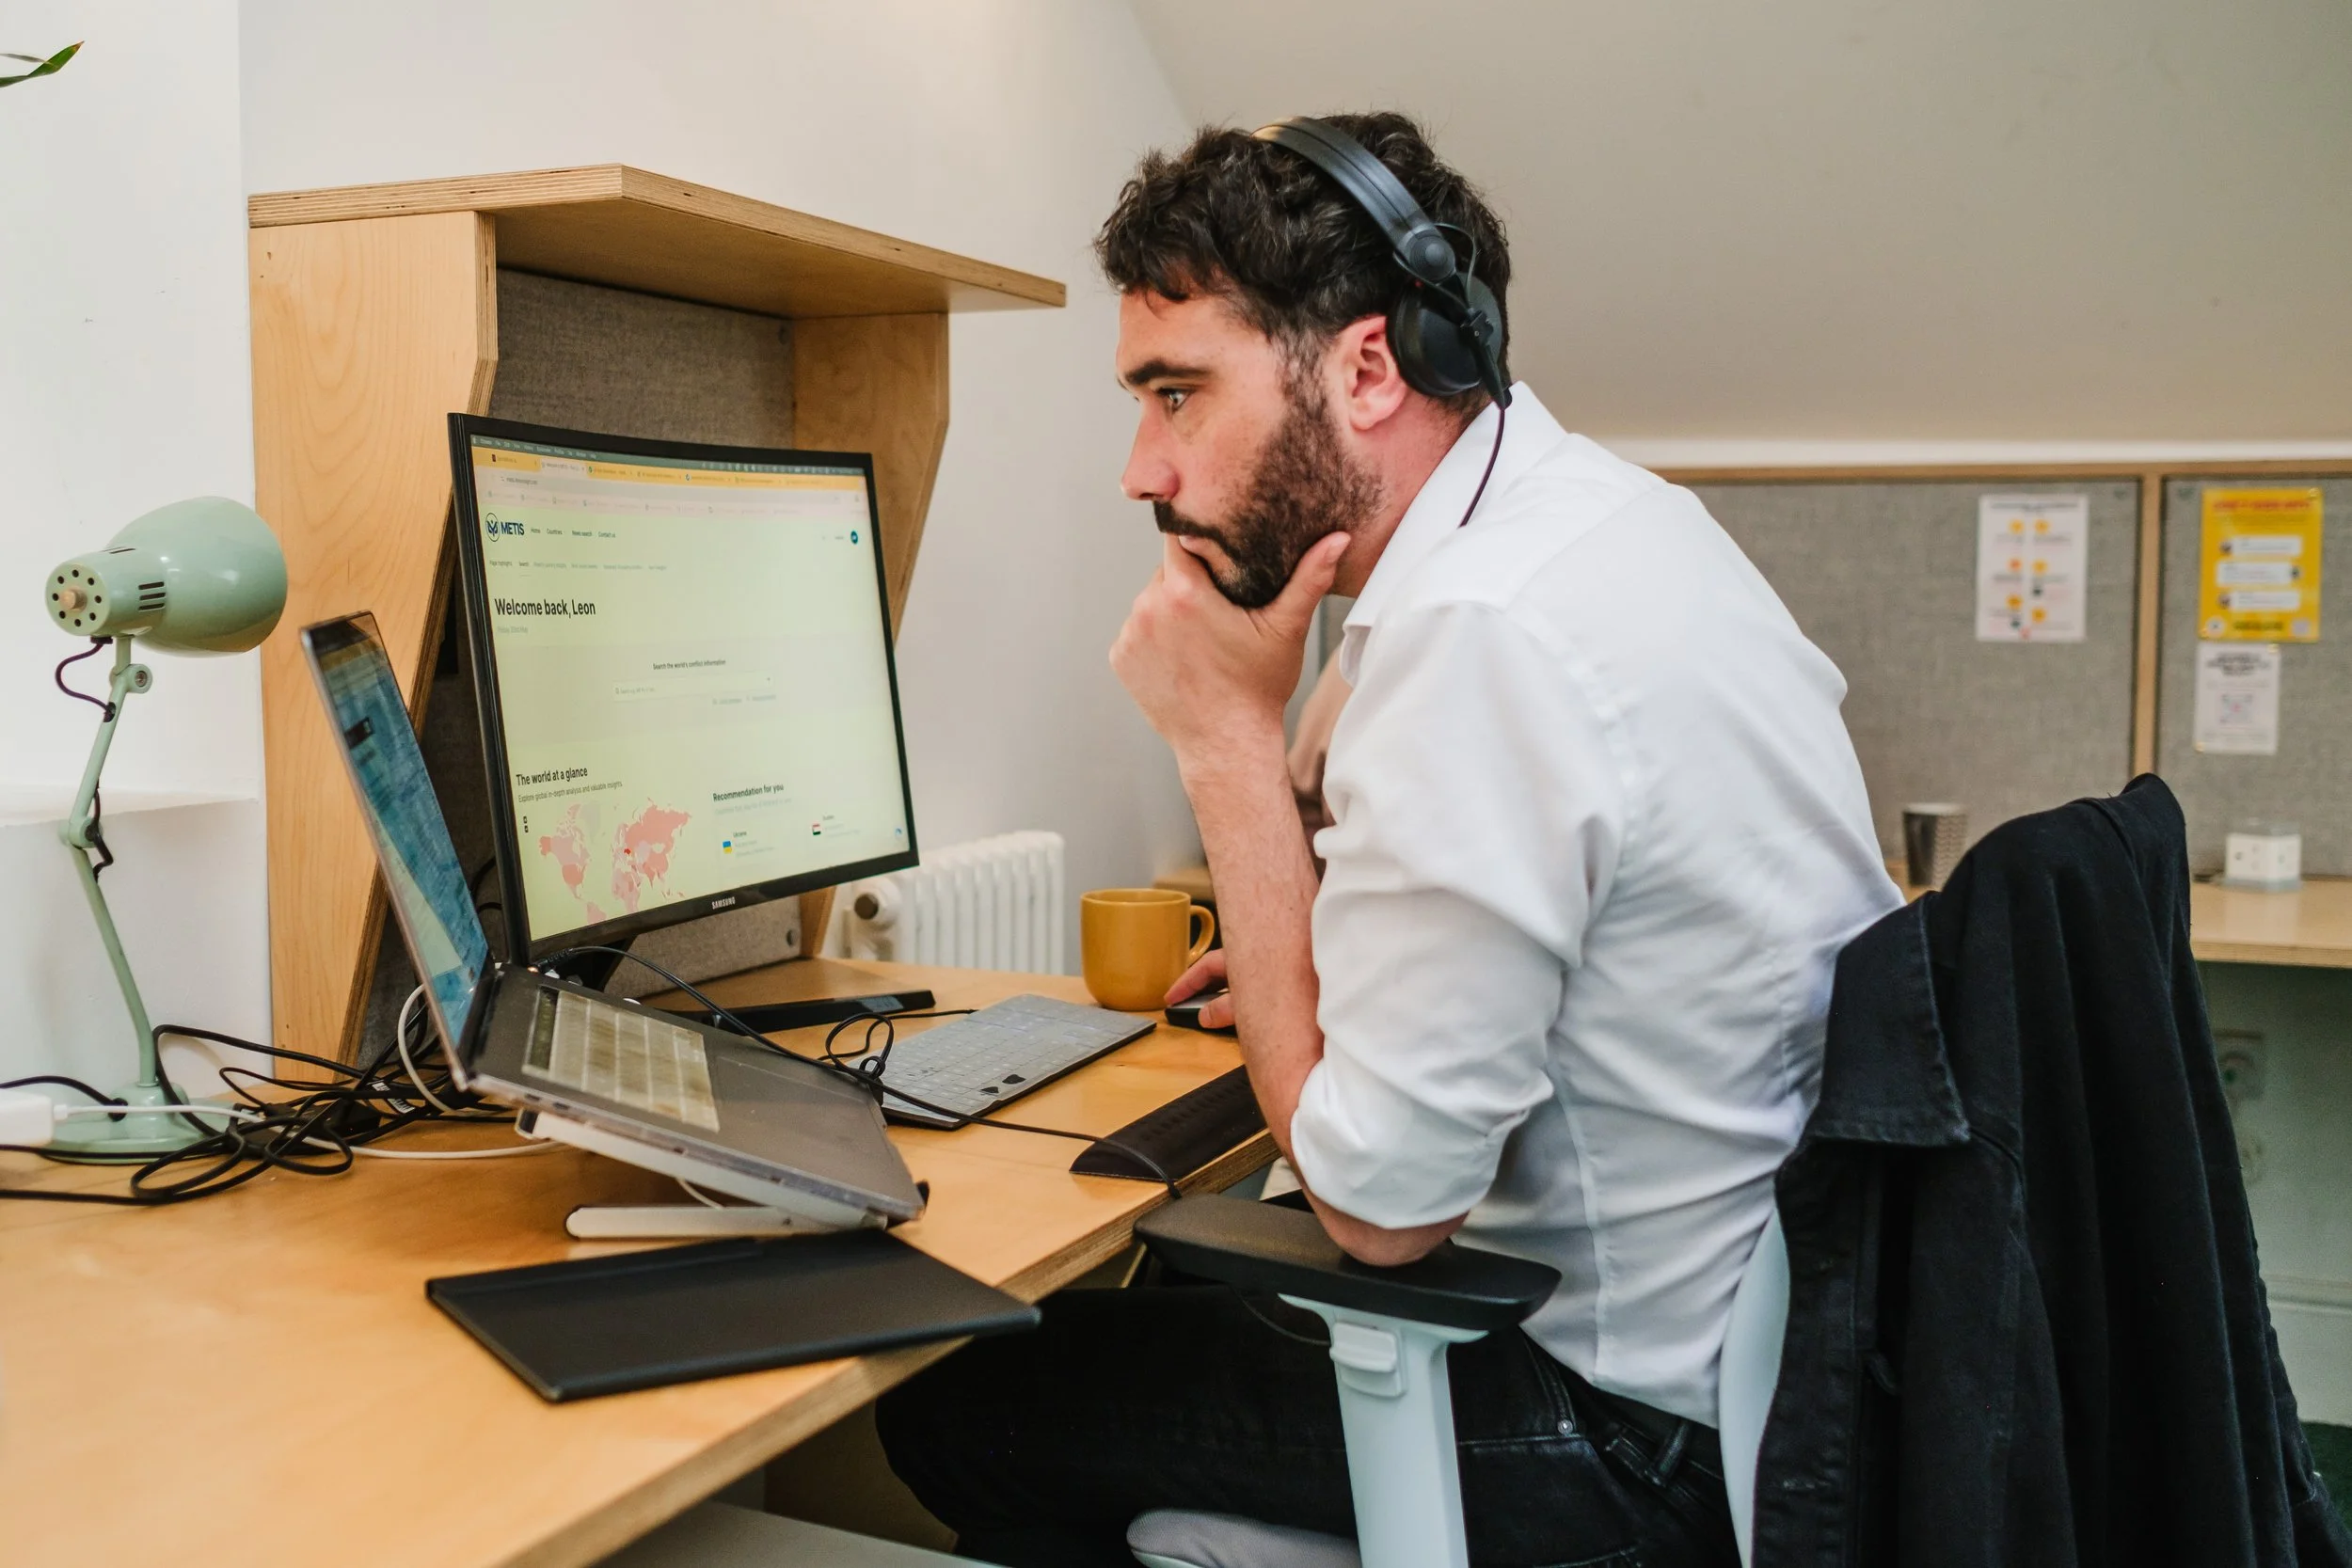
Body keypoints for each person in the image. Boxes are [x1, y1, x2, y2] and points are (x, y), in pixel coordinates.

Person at [878, 111, 1900, 1568]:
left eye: (1178, 394)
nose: (1140, 471)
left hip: (1627, 1433)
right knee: (1152, 1299)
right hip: (1765, 1378)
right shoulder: (1607, 524)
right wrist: (1321, 944)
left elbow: (1378, 1208)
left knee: (961, 1398)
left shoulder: (1483, 632)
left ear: (1369, 364)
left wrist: (1223, 738)